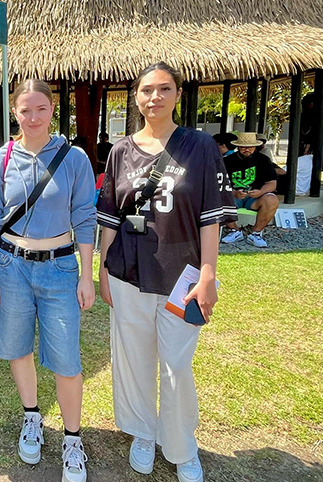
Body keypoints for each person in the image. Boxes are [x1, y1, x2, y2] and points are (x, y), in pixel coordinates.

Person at [96, 62, 236, 482]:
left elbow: (210, 218)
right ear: (135, 97)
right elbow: (109, 218)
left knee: (177, 364)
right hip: (128, 272)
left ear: (178, 94)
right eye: (145, 91)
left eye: (163, 89)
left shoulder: (199, 146)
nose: (153, 97)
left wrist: (208, 274)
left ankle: (180, 446)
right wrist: (104, 270)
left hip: (183, 275)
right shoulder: (121, 150)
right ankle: (142, 432)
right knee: (133, 358)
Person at [0, 80, 97, 482]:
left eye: (41, 109)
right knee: (18, 346)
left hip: (60, 267)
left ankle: (72, 438)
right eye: (25, 110)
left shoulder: (74, 158)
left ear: (52, 111)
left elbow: (85, 215)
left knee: (66, 358)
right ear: (15, 112)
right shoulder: (0, 159)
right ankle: (32, 415)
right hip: (11, 266)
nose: (33, 117)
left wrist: (86, 274)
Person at [220, 132, 279, 248]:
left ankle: (256, 233)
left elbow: (272, 183)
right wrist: (233, 192)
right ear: (238, 147)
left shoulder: (263, 160)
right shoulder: (227, 161)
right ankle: (234, 230)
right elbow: (218, 183)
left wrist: (261, 192)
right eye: (243, 147)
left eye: (250, 147)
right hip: (233, 196)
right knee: (216, 198)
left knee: (272, 200)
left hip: (255, 197)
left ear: (255, 147)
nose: (247, 149)